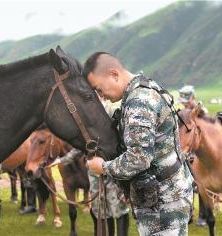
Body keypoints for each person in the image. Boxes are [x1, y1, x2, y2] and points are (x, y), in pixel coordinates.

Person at [84, 52, 193, 236]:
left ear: (114, 74)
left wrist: (102, 167)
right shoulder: (144, 88)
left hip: (163, 204)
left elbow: (139, 158)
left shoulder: (139, 101)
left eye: (99, 89)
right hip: (164, 196)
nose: (101, 96)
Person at [178, 85, 208, 226]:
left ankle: (203, 215)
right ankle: (189, 213)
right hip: (187, 153)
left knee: (202, 184)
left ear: (193, 98)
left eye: (187, 100)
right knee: (186, 184)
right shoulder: (183, 113)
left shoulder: (203, 112)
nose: (185, 103)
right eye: (183, 101)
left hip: (200, 154)